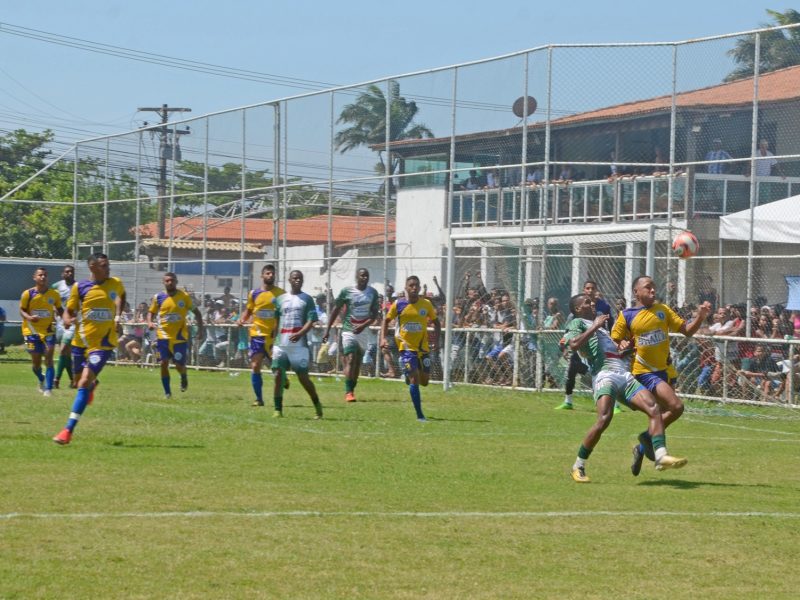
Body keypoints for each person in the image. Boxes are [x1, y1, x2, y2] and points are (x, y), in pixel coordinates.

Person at [565, 293, 686, 483]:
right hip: (604, 375)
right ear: (578, 309)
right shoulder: (578, 323)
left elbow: (615, 354)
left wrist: (628, 349)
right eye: (587, 302)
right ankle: (578, 465)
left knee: (653, 408)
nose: (592, 303)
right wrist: (595, 325)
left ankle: (661, 456)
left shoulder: (603, 330)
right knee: (604, 419)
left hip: (623, 374)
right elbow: (572, 344)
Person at [611, 275, 711, 475]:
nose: (653, 291)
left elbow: (687, 331)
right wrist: (620, 344)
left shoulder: (663, 311)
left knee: (667, 412)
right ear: (636, 292)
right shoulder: (627, 315)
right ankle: (659, 454)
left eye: (654, 287)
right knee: (676, 406)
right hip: (643, 373)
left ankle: (642, 446)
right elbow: (613, 341)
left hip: (665, 372)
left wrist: (700, 317)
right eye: (648, 287)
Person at [53, 253, 125, 445]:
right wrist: (67, 320)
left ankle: (67, 430)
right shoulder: (80, 287)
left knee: (83, 382)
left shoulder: (115, 283)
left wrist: (118, 317)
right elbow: (69, 311)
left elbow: (121, 297)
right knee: (78, 382)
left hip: (103, 344)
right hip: (80, 342)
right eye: (104, 265)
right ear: (92, 267)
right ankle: (92, 385)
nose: (108, 268)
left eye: (108, 265)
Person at [381, 275, 442, 421]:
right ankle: (420, 415)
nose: (414, 288)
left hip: (423, 348)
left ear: (420, 288)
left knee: (425, 381)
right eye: (411, 285)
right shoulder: (399, 304)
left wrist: (438, 342)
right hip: (406, 347)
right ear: (406, 288)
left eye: (416, 285)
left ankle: (408, 375)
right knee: (415, 379)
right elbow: (386, 320)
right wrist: (383, 338)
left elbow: (437, 323)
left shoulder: (426, 304)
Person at [323, 268, 381, 402]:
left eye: (366, 275)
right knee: (350, 357)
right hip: (348, 330)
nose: (364, 278)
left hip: (363, 331)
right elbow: (336, 309)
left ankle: (352, 387)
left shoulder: (372, 293)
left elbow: (374, 315)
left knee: (357, 362)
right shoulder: (347, 291)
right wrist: (327, 330)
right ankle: (348, 392)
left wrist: (363, 326)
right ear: (356, 277)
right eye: (362, 275)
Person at [271, 270, 323, 419]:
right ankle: (277, 409)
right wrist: (273, 340)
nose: (297, 281)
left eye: (300, 278)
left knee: (303, 378)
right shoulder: (280, 299)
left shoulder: (307, 299)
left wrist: (300, 333)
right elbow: (276, 322)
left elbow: (311, 320)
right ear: (289, 280)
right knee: (278, 376)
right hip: (281, 344)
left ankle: (317, 406)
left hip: (299, 346)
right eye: (295, 278)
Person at [555, 280, 613, 410]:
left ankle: (612, 403)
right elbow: (569, 336)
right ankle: (568, 401)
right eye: (587, 288)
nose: (590, 291)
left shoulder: (603, 308)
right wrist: (564, 346)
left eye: (593, 288)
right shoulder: (575, 317)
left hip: (600, 351)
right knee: (573, 371)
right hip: (582, 349)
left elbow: (610, 326)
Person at [147, 272, 203, 399]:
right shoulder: (158, 297)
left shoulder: (184, 296)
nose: (170, 283)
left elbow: (197, 313)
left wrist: (201, 330)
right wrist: (150, 322)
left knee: (179, 365)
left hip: (179, 338)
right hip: (163, 336)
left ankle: (183, 376)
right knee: (163, 363)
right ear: (163, 282)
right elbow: (151, 312)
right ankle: (167, 392)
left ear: (176, 282)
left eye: (172, 280)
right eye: (167, 281)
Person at [237, 264, 285, 407]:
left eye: (272, 274)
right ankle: (259, 399)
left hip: (274, 336)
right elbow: (249, 310)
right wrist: (241, 320)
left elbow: (285, 312)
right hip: (257, 334)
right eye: (268, 273)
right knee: (255, 365)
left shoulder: (281, 294)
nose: (270, 276)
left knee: (276, 367)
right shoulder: (254, 293)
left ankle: (283, 378)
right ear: (262, 276)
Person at [19, 267, 63, 397]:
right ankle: (41, 378)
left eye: (45, 275)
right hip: (31, 331)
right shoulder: (28, 294)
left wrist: (66, 318)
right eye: (40, 275)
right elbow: (22, 310)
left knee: (49, 359)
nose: (42, 277)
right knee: (36, 363)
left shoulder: (54, 294)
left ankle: (48, 389)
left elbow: (60, 309)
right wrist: (29, 317)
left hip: (48, 331)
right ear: (35, 277)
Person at [51, 265, 76, 388]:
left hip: (72, 323)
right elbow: (49, 297)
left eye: (72, 272)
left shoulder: (78, 287)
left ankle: (56, 379)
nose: (70, 274)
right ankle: (73, 380)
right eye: (67, 272)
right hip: (60, 322)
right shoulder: (57, 286)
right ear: (62, 274)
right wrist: (53, 308)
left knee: (63, 349)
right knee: (65, 354)